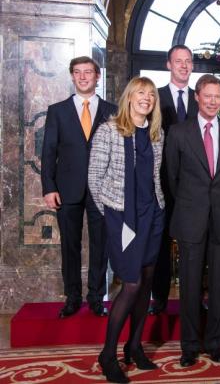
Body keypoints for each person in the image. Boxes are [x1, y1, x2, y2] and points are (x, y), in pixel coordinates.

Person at [89, 77, 165, 383]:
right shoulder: (109, 130)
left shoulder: (157, 134)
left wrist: (158, 208)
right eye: (140, 93)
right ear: (129, 98)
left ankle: (134, 346)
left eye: (150, 94)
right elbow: (95, 178)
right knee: (131, 283)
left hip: (153, 213)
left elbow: (156, 177)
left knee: (146, 281)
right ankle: (108, 354)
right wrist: (112, 214)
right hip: (123, 217)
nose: (146, 98)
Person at [166, 74, 220, 367]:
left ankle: (214, 342)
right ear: (197, 97)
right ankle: (189, 345)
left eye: (218, 96)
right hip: (190, 218)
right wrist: (192, 204)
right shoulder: (178, 133)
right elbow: (171, 178)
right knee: (189, 284)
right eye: (207, 95)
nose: (213, 101)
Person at [41, 56, 116, 318]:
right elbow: (48, 152)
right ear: (72, 77)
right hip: (67, 190)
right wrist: (48, 187)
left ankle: (96, 297)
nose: (83, 77)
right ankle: (72, 297)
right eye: (77, 72)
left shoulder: (112, 110)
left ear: (97, 76)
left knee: (101, 245)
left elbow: (118, 154)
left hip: (102, 191)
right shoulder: (57, 111)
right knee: (69, 246)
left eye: (88, 72)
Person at [149, 44, 199, 316]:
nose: (183, 66)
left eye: (188, 61)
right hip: (161, 184)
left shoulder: (200, 98)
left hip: (193, 186)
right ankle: (159, 298)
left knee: (194, 244)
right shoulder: (154, 97)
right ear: (168, 65)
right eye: (178, 61)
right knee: (160, 243)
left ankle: (194, 297)